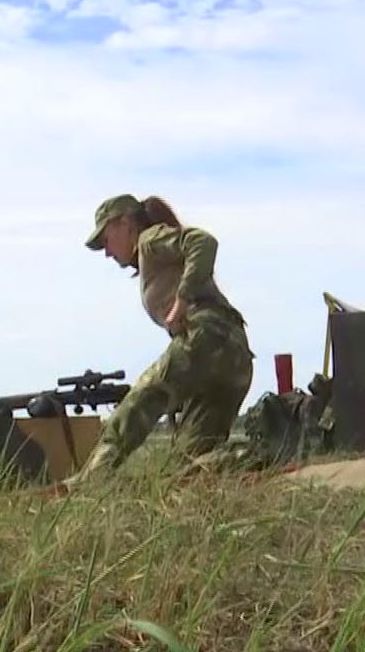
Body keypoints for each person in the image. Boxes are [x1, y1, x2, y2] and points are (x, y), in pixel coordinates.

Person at [63, 194, 256, 488]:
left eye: (105, 239)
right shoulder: (153, 257)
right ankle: (256, 455)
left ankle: (90, 482)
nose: (106, 252)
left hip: (208, 338)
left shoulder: (149, 240)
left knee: (139, 403)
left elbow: (204, 242)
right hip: (235, 356)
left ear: (125, 223)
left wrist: (181, 300)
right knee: (190, 466)